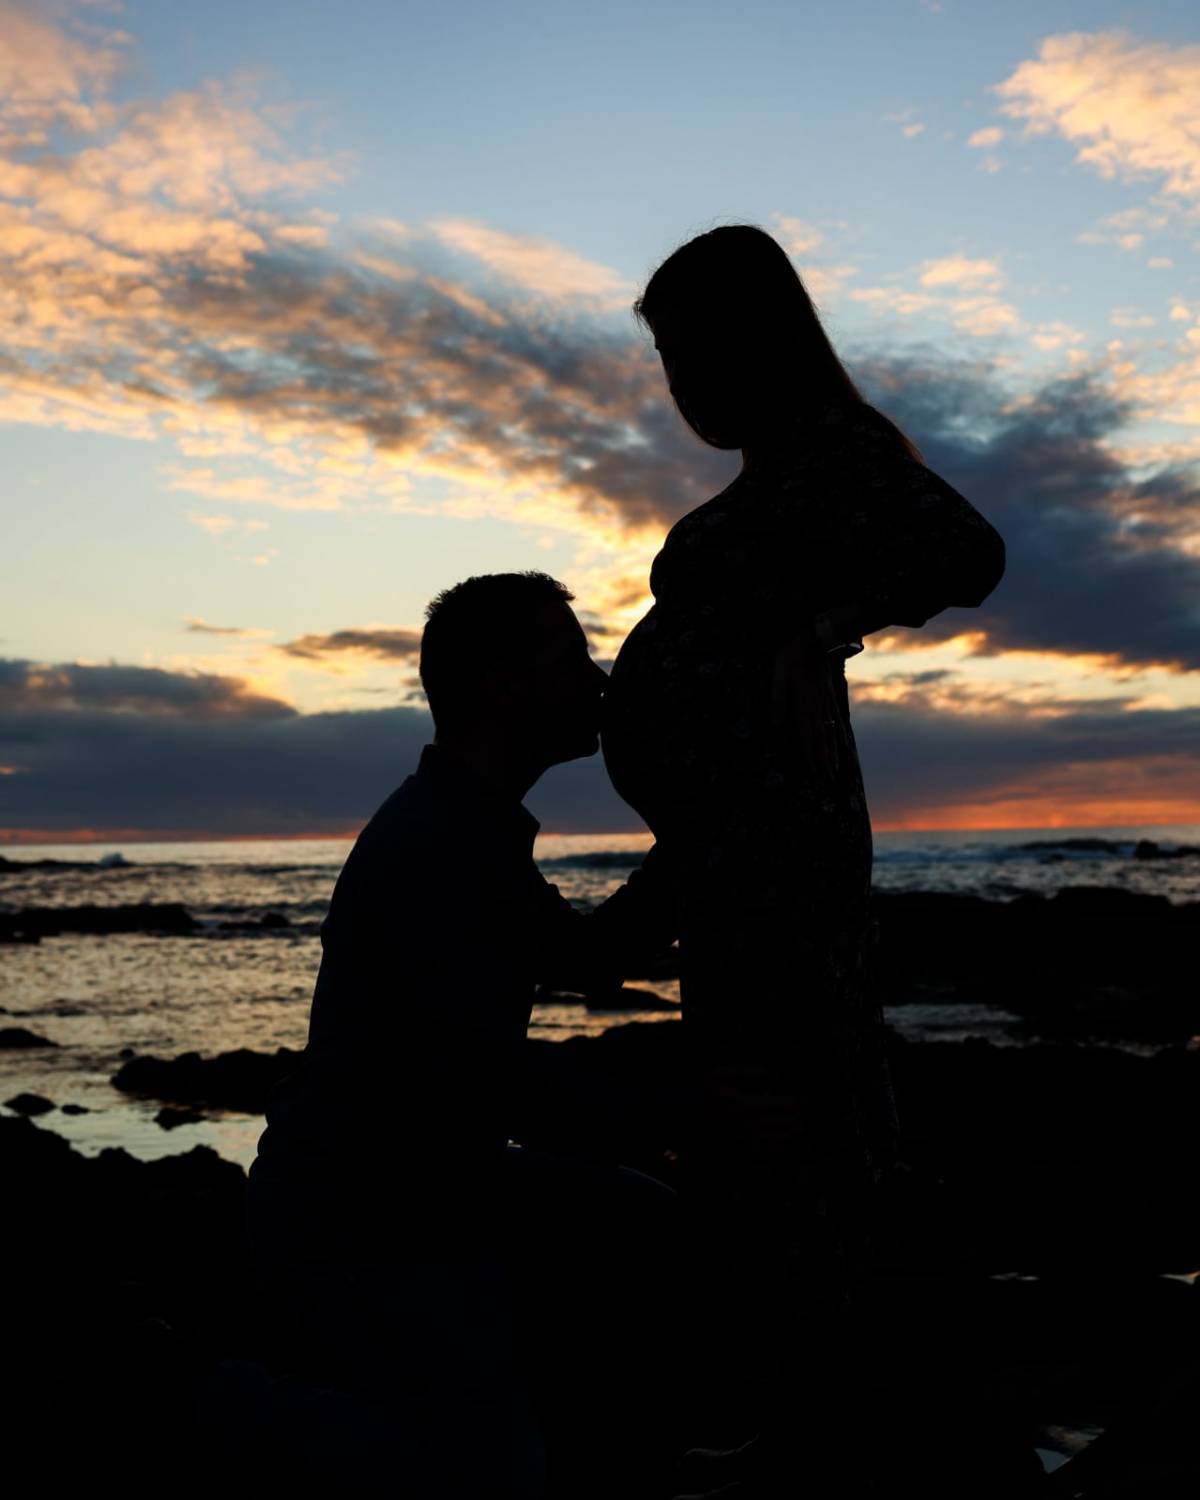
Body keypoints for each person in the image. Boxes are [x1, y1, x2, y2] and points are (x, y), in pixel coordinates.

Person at [600, 225, 1009, 1496]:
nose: (676, 383)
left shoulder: (830, 457)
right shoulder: (768, 482)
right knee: (758, 1127)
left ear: (749, 339)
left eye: (686, 351)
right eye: (662, 359)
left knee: (799, 1126)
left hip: (784, 858)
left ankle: (825, 1427)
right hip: (726, 855)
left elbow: (968, 550)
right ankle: (797, 1409)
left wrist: (825, 626)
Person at [246, 571, 681, 1498]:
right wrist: (688, 1105)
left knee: (645, 1227)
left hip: (432, 1176)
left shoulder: (467, 822)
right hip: (368, 1203)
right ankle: (193, 1402)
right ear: (503, 683)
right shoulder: (439, 842)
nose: (599, 683)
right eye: (574, 660)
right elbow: (470, 1074)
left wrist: (694, 845)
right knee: (477, 1470)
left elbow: (581, 957)